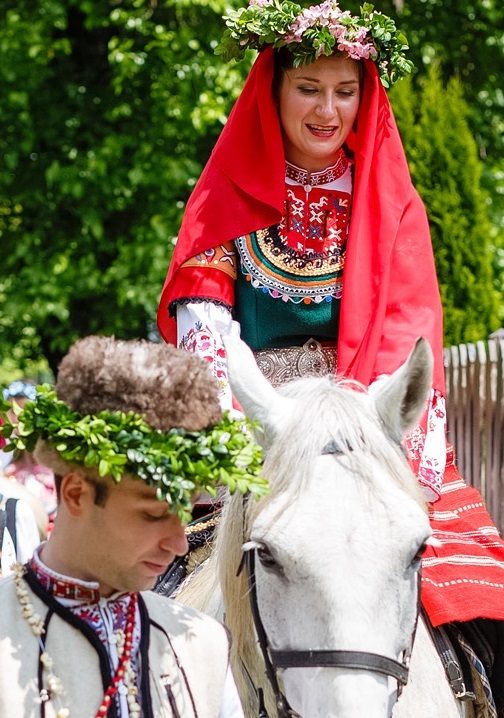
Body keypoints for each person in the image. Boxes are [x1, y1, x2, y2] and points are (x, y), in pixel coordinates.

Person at [156, 0, 504, 713]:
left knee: (478, 594)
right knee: (147, 585)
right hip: (254, 429)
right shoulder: (225, 194)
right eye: (309, 88)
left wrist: (383, 438)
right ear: (274, 90)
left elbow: (409, 333)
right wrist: (244, 430)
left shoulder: (389, 200)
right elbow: (207, 329)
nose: (328, 109)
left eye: (345, 91)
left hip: (366, 424)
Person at [0, 334, 267, 717]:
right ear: (76, 493)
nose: (179, 544)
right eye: (155, 515)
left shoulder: (201, 646)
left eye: (185, 514)